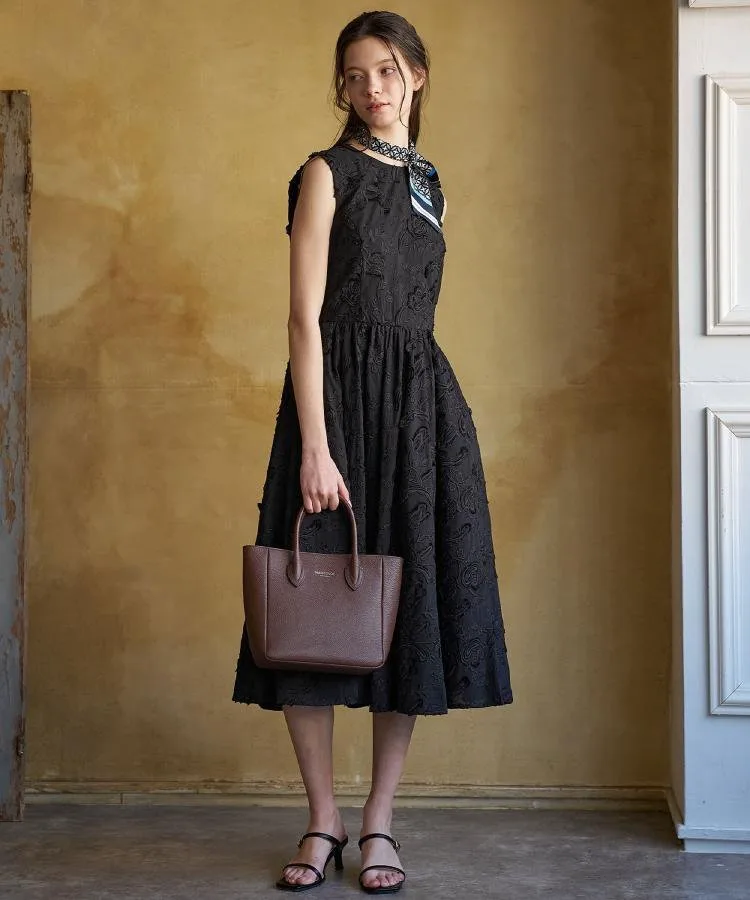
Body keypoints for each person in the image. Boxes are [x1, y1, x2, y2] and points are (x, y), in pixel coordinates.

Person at [232, 10, 513, 895]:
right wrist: (316, 447)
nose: (370, 88)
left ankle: (380, 820)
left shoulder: (431, 183)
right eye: (354, 75)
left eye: (386, 70)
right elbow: (302, 320)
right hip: (336, 406)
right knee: (309, 614)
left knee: (407, 614)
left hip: (419, 410)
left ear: (416, 75)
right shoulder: (326, 174)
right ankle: (323, 819)